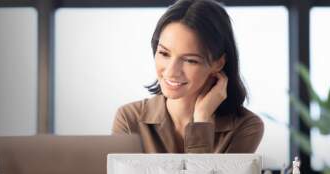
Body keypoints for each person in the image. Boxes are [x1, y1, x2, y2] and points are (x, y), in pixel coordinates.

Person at [112, 0, 264, 153]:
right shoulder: (129, 119)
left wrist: (202, 120)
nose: (171, 72)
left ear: (218, 63)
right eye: (164, 53)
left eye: (190, 60)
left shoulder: (246, 126)